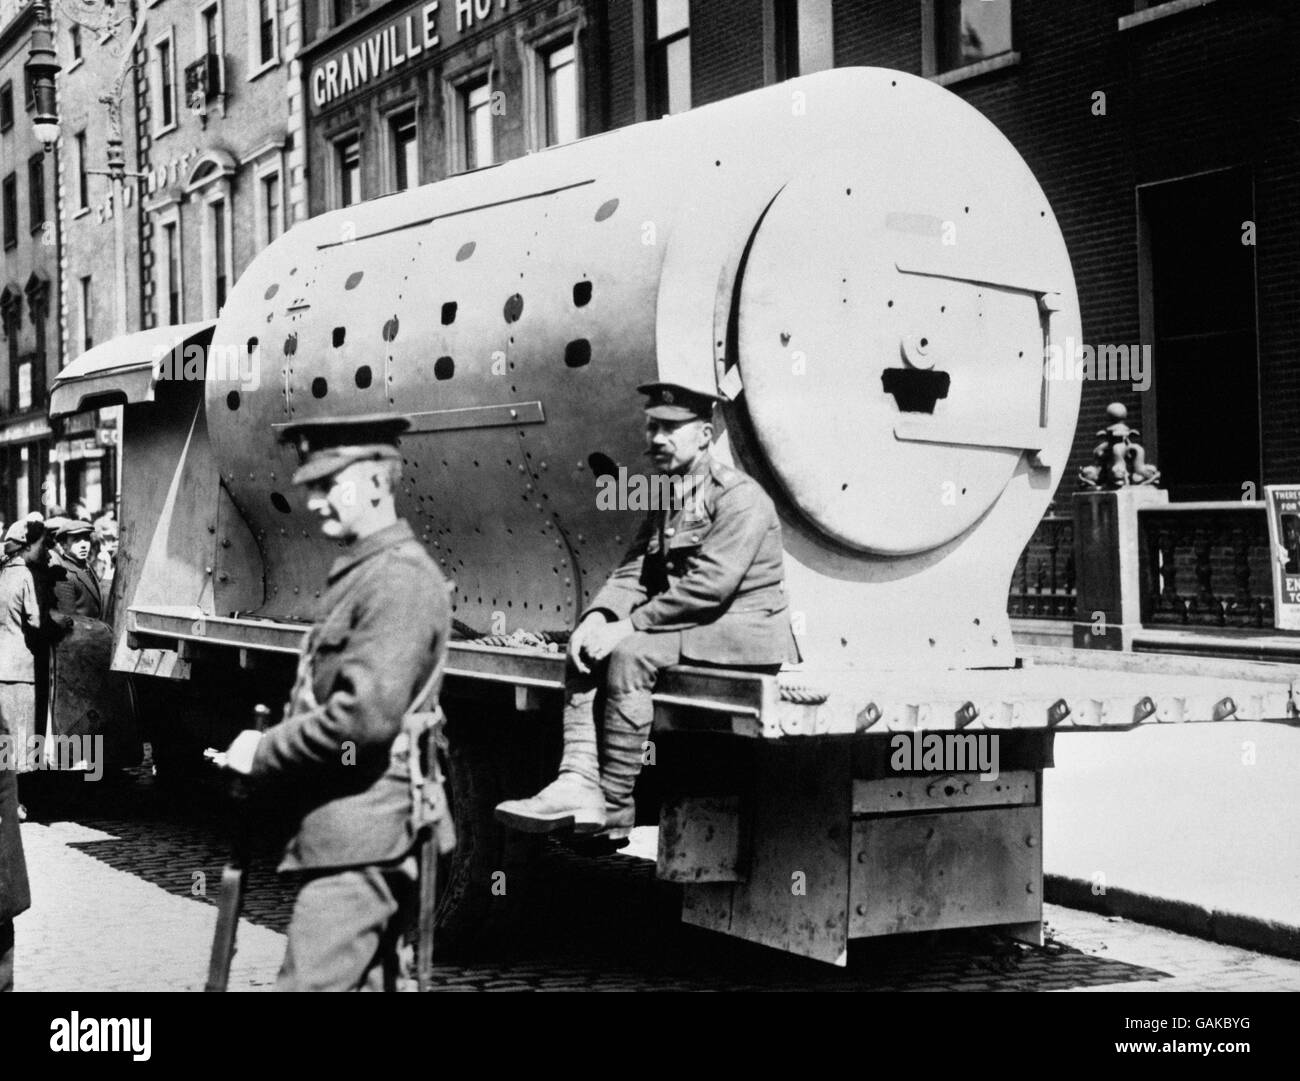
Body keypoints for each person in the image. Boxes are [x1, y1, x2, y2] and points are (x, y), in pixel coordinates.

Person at [495, 382, 799, 839]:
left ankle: (615, 808)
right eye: (653, 426)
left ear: (705, 433)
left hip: (743, 630)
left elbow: (709, 588)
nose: (657, 438)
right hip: (692, 625)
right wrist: (597, 620)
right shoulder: (664, 494)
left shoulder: (739, 498)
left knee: (631, 655)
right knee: (584, 644)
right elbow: (632, 572)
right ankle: (577, 782)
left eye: (672, 428)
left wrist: (629, 628)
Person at [214, 414, 451, 992]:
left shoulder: (397, 578)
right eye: (309, 486)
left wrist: (264, 750)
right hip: (347, 831)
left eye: (328, 484)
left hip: (365, 835)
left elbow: (363, 721)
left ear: (376, 480)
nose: (313, 501)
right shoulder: (365, 571)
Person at [0, 520, 59, 779]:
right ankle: (18, 800)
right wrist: (59, 624)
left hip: (2, 664)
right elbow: (35, 620)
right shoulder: (24, 575)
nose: (44, 550)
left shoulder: (2, 573)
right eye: (41, 544)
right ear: (27, 546)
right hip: (21, 667)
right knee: (22, 737)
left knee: (5, 737)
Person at [49, 519, 103, 620]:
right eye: (76, 540)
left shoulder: (86, 566)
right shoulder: (64, 574)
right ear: (64, 544)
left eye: (86, 539)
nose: (83, 545)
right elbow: (69, 618)